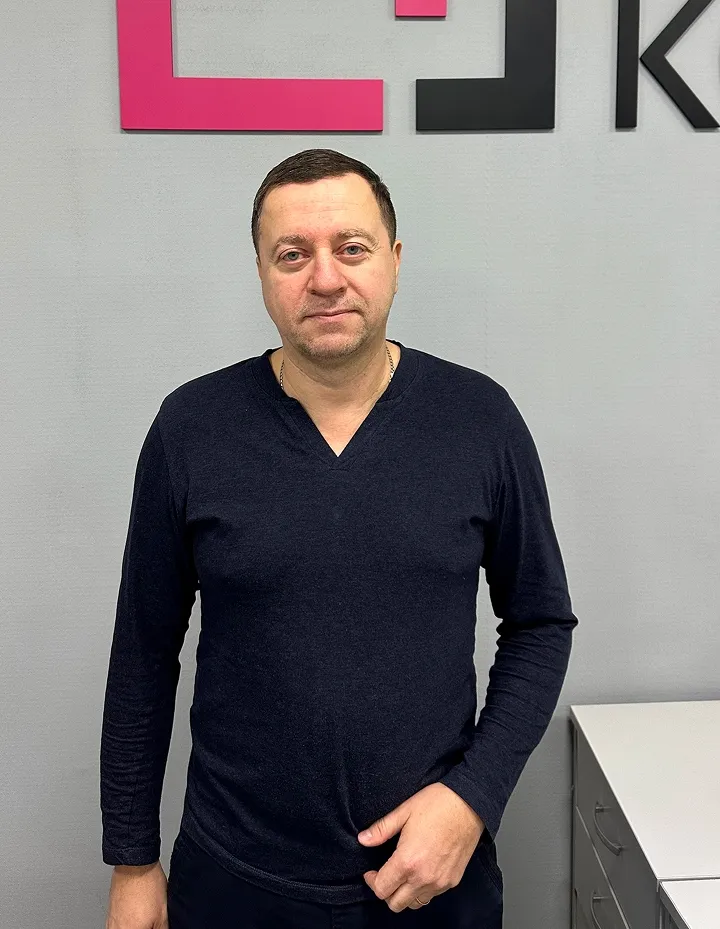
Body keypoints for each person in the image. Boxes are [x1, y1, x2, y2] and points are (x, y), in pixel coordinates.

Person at [101, 148, 578, 929]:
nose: (325, 278)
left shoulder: (480, 420)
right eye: (292, 255)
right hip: (233, 880)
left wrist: (473, 797)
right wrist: (132, 862)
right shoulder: (191, 429)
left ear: (394, 260)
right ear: (262, 274)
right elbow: (142, 654)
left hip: (429, 882)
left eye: (351, 248)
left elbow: (541, 622)